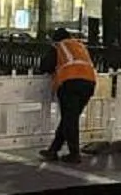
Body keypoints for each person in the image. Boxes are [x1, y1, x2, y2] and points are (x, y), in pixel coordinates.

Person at [38, 28, 98, 164]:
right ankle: (53, 150)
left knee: (70, 119)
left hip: (70, 83)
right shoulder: (80, 45)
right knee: (69, 118)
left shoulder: (59, 47)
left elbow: (45, 66)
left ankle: (74, 154)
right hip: (89, 83)